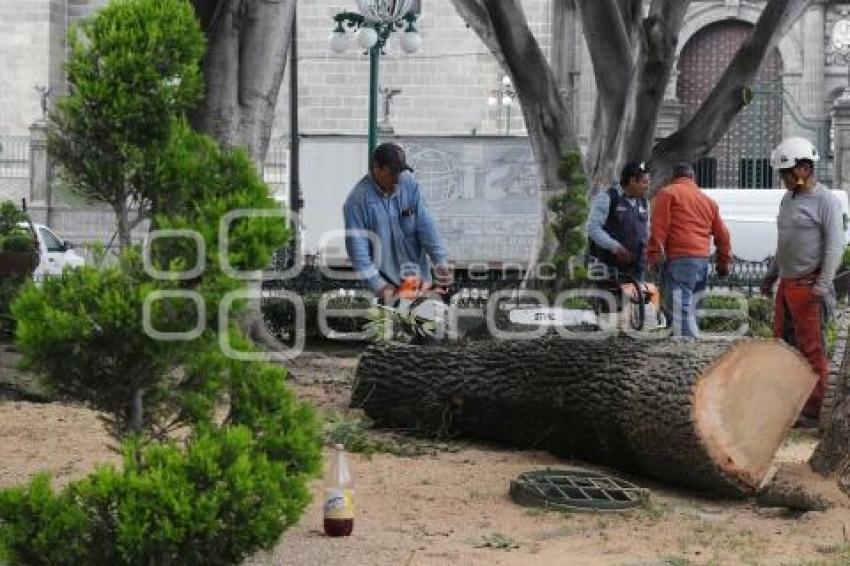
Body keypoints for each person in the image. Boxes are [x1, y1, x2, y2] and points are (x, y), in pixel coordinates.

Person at [760, 137, 843, 422]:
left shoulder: (826, 202)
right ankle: (788, 403)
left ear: (805, 169)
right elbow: (784, 244)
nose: (783, 179)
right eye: (782, 174)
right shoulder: (788, 199)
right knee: (783, 346)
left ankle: (814, 409)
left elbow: (834, 247)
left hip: (810, 288)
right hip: (786, 285)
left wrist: (822, 285)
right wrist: (771, 275)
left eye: (787, 173)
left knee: (811, 349)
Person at [343, 143, 450, 304]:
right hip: (386, 288)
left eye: (400, 172)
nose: (397, 178)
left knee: (428, 325)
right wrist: (379, 286)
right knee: (390, 327)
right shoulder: (356, 202)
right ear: (376, 168)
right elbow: (359, 254)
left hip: (419, 282)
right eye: (392, 172)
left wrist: (440, 260)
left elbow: (427, 225)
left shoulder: (409, 185)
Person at [648, 163, 732, 338]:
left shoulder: (668, 193)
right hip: (701, 261)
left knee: (680, 311)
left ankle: (688, 353)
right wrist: (723, 264)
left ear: (673, 178)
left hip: (679, 259)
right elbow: (723, 235)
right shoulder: (708, 201)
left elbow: (658, 228)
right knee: (691, 309)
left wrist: (654, 255)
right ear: (693, 179)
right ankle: (685, 349)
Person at [586, 161, 651, 280]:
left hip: (636, 269)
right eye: (644, 182)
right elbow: (592, 228)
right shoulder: (608, 198)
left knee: (636, 299)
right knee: (610, 298)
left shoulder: (644, 203)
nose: (648, 186)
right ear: (632, 181)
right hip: (609, 270)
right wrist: (615, 247)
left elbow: (646, 232)